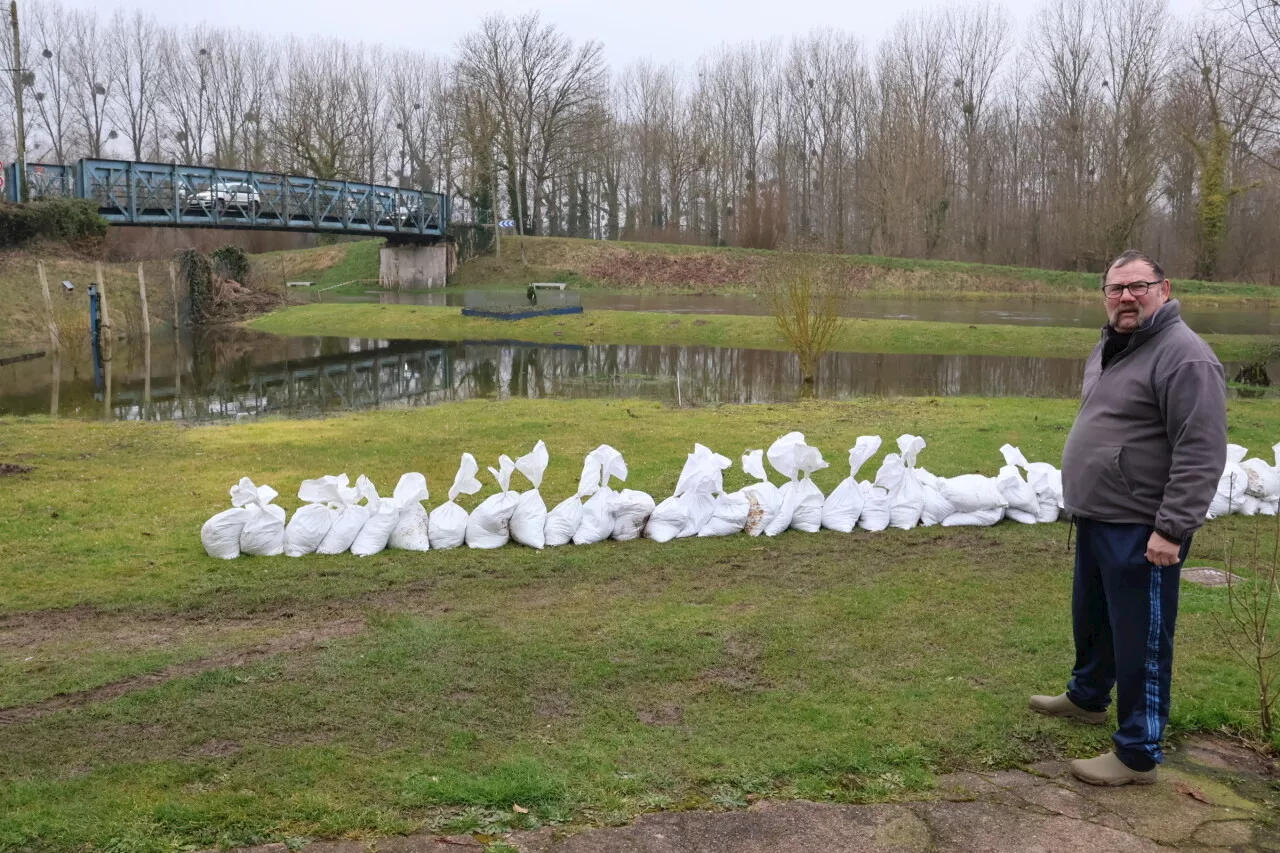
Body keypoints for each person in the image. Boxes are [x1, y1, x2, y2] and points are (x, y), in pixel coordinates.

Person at [1030, 249, 1227, 787]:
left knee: (1141, 639)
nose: (1125, 297)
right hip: (1097, 515)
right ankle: (1088, 697)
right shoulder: (1111, 345)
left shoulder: (1185, 357)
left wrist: (1172, 528)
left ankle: (1138, 752)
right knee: (1093, 617)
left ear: (1164, 289)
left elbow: (1202, 450)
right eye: (1115, 289)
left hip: (1144, 527)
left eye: (1138, 286)